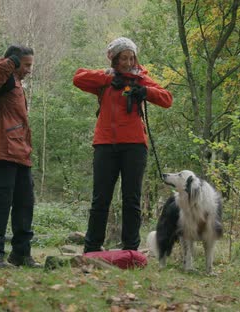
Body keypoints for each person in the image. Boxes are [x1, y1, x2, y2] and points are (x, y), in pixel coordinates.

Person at [73, 37, 173, 253]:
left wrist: (145, 91)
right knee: (101, 198)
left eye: (131, 58)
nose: (128, 63)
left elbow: (167, 99)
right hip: (105, 145)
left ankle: (130, 249)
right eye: (123, 58)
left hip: (134, 146)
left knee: (132, 199)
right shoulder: (106, 79)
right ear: (114, 59)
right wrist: (110, 78)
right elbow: (78, 78)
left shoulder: (141, 79)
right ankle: (92, 248)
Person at [0, 44, 41, 268]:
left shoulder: (16, 84)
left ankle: (21, 254)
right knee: (0, 204)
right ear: (15, 62)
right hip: (2, 149)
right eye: (26, 65)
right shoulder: (0, 74)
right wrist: (9, 63)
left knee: (25, 204)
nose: (29, 70)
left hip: (21, 151)